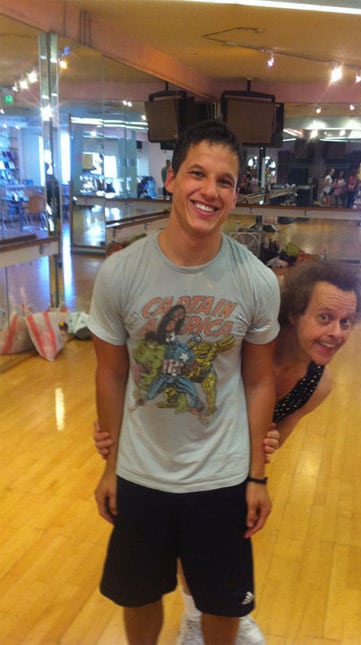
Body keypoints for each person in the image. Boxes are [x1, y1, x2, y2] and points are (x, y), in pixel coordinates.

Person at [94, 259, 361, 645]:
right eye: (325, 318)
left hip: (230, 465)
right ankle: (195, 615)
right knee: (175, 547)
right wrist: (116, 427)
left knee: (215, 556)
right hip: (174, 453)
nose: (335, 332)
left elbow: (275, 436)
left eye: (346, 322)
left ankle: (211, 613)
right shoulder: (245, 351)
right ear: (293, 314)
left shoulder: (317, 386)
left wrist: (263, 452)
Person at [88, 119, 281, 645]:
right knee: (138, 595)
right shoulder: (121, 273)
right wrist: (110, 466)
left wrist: (257, 477)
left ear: (236, 194)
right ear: (171, 178)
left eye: (225, 181)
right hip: (140, 474)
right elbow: (111, 371)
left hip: (221, 479)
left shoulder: (257, 281)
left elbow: (259, 381)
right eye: (198, 174)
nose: (209, 191)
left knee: (221, 602)